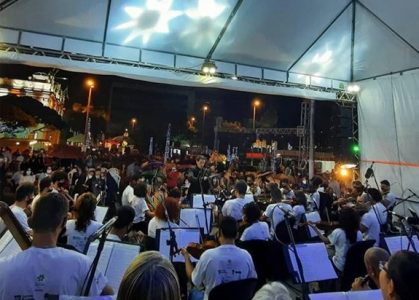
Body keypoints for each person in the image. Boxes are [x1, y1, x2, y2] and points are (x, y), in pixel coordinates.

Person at [0, 192, 113, 297]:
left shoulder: (3, 266)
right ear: (64, 222)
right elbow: (109, 295)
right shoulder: (82, 264)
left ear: (32, 219)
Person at [181, 216, 257, 300]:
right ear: (237, 235)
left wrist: (186, 257)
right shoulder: (246, 256)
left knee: (194, 294)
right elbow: (252, 282)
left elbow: (193, 280)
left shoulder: (207, 256)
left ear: (219, 233)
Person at [309, 207, 363, 272]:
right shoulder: (359, 233)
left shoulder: (338, 232)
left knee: (322, 252)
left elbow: (326, 241)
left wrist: (315, 229)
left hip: (340, 265)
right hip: (353, 265)